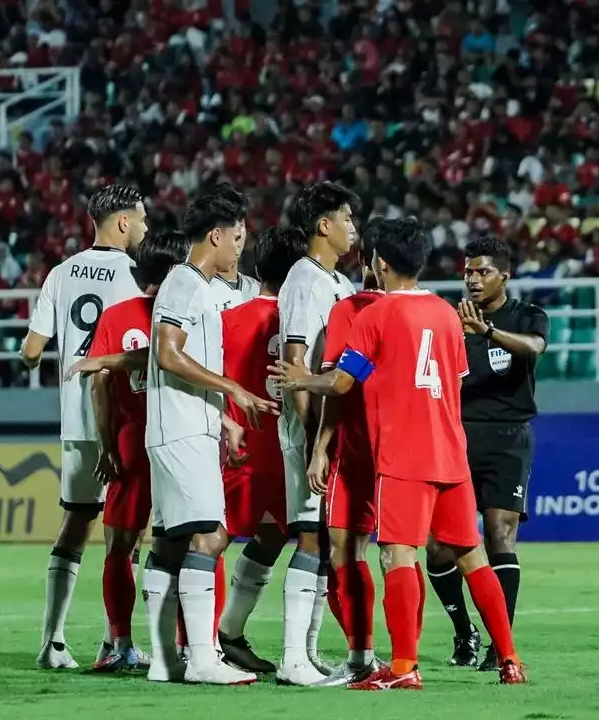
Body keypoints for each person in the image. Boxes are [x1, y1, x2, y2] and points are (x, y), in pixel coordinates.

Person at [269, 218, 526, 690]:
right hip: (451, 453)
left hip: (404, 457)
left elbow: (343, 383)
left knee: (397, 555)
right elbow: (455, 381)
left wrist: (300, 379)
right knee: (473, 556)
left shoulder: (374, 316)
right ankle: (510, 659)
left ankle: (404, 668)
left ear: (380, 264)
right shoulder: (448, 314)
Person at [141, 182, 278, 685]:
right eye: (236, 235)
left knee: (171, 541)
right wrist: (234, 392)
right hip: (180, 432)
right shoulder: (185, 282)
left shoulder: (192, 285)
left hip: (182, 427)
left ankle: (163, 659)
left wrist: (221, 419)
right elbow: (168, 354)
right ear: (216, 235)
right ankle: (201, 658)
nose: (240, 245)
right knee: (211, 535)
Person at [20, 185, 147, 671]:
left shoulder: (60, 272)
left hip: (75, 420)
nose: (144, 228)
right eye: (141, 219)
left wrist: (34, 360)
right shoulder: (136, 275)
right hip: (121, 418)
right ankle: (116, 641)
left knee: (76, 524)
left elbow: (31, 351)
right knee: (130, 534)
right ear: (121, 223)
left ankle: (52, 643)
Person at [63, 231, 191, 672]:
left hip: (130, 442)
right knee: (192, 543)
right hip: (181, 439)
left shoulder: (118, 316)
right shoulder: (189, 312)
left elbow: (99, 382)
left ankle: (120, 643)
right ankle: (189, 645)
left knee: (120, 545)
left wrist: (105, 444)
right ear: (176, 270)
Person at [427, 235, 549, 670]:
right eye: (468, 272)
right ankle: (464, 632)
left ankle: (502, 644)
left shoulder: (527, 316)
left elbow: (534, 349)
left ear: (505, 276)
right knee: (440, 546)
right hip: (455, 436)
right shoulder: (448, 318)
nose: (473, 280)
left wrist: (489, 331)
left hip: (509, 437)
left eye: (483, 272)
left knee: (500, 532)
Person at [265, 181, 358, 684]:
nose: (353, 229)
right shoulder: (304, 280)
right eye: (347, 219)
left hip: (330, 429)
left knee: (321, 539)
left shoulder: (337, 282)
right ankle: (292, 659)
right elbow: (295, 364)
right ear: (324, 225)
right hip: (309, 431)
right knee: (308, 537)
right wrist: (308, 440)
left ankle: (309, 651)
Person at [212, 226, 306, 674]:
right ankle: (198, 641)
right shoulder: (301, 322)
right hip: (284, 449)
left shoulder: (229, 317)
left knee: (259, 536)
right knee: (214, 540)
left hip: (243, 448)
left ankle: (226, 635)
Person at [307, 222, 387, 686]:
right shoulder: (432, 313)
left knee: (346, 550)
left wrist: (320, 446)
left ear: (371, 262)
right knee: (412, 554)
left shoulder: (350, 310)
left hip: (356, 448)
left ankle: (362, 657)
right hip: (409, 450)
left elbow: (338, 387)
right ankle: (404, 664)